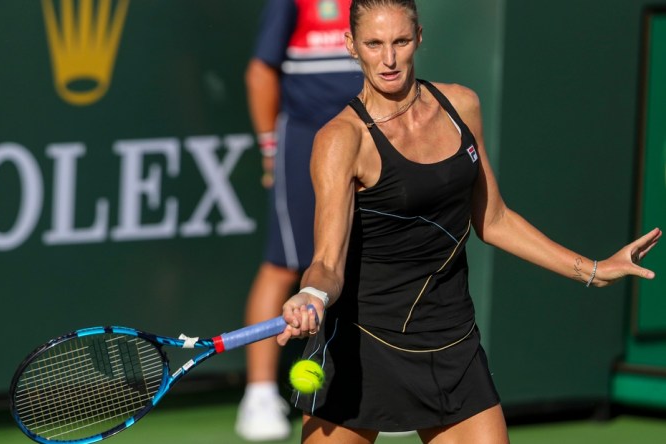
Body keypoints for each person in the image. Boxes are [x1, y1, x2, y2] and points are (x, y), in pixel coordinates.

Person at [275, 0, 663, 443]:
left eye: (400, 41)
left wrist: (593, 270)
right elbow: (327, 259)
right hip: (364, 344)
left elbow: (493, 218)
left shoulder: (461, 105)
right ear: (351, 45)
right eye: (374, 43)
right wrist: (311, 293)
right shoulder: (339, 139)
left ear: (419, 37)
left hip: (450, 339)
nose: (388, 59)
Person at [235, 0, 364, 441]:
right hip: (304, 140)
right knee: (284, 264)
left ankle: (381, 387)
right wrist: (272, 149)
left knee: (369, 259)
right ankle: (258, 396)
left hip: (369, 133)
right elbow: (260, 73)